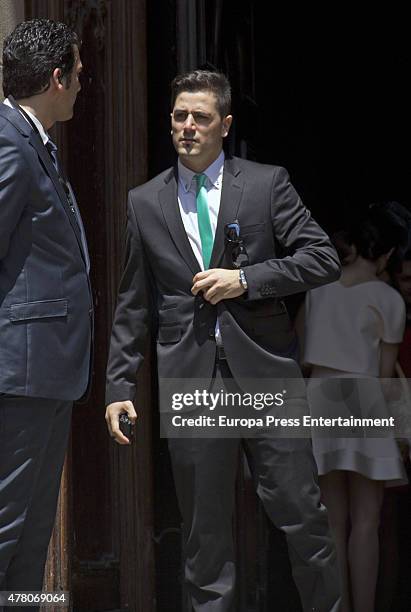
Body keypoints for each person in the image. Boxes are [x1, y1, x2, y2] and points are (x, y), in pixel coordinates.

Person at [105, 69, 341, 612]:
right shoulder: (144, 202)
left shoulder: (265, 183)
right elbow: (133, 302)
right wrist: (120, 383)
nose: (187, 127)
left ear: (225, 125)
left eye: (201, 117)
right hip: (191, 378)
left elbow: (321, 257)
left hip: (265, 375)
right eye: (179, 116)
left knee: (303, 516)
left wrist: (247, 279)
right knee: (203, 536)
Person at [0, 19, 92, 602]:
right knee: (8, 527)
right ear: (56, 79)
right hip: (21, 373)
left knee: (32, 536)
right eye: (79, 74)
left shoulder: (32, 138)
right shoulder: (8, 141)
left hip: (47, 373)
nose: (83, 85)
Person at [301, 202, 410, 612]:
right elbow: (384, 377)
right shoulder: (388, 300)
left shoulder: (317, 289)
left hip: (321, 397)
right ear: (385, 255)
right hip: (364, 400)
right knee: (367, 520)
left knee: (331, 519)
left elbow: (306, 358)